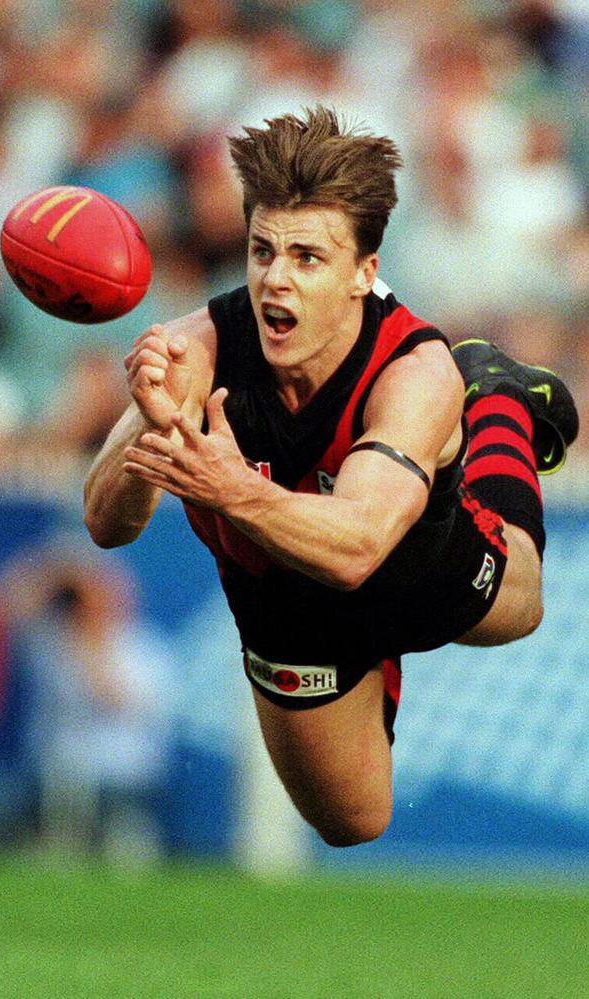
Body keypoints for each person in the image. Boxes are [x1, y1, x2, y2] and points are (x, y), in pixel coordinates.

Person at [84, 106, 578, 847]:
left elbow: (357, 550)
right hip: (285, 596)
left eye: (307, 258)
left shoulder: (411, 371)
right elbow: (105, 523)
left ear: (362, 273)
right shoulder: (200, 348)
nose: (276, 279)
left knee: (524, 597)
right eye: (262, 251)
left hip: (415, 568)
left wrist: (228, 487)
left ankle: (499, 396)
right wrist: (156, 430)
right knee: (353, 820)